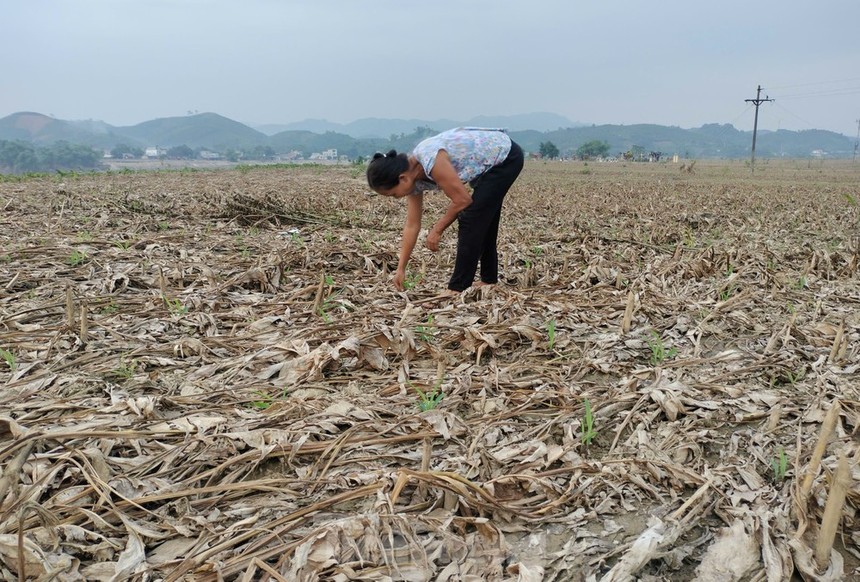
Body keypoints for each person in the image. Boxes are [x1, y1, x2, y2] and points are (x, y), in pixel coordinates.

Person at [366, 127, 524, 294]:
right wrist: (401, 269)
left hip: (505, 157)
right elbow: (412, 225)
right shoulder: (412, 178)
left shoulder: (431, 160)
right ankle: (489, 280)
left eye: (393, 194)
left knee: (471, 218)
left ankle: (457, 288)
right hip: (491, 163)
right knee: (483, 219)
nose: (396, 198)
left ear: (402, 179)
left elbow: (462, 200)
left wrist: (437, 229)